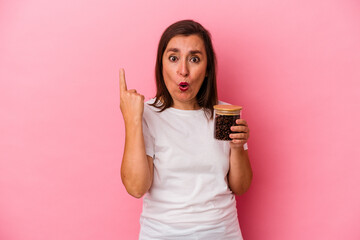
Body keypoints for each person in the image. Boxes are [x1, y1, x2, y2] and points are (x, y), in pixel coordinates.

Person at [119, 19, 252, 240]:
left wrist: (237, 148)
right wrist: (132, 119)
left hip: (222, 233)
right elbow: (136, 187)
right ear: (161, 66)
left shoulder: (225, 114)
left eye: (194, 59)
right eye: (173, 58)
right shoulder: (146, 114)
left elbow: (241, 187)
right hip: (163, 234)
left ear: (207, 69)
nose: (183, 70)